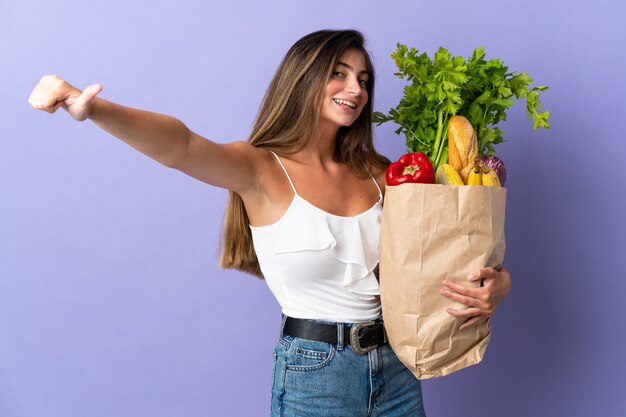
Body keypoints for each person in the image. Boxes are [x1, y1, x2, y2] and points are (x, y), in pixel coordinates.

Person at [28, 29, 511, 417]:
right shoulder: (260, 169)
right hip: (316, 375)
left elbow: (439, 259)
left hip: (399, 367)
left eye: (364, 80)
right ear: (303, 78)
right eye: (339, 74)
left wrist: (499, 283)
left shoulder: (383, 172)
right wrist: (93, 110)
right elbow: (182, 146)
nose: (355, 89)